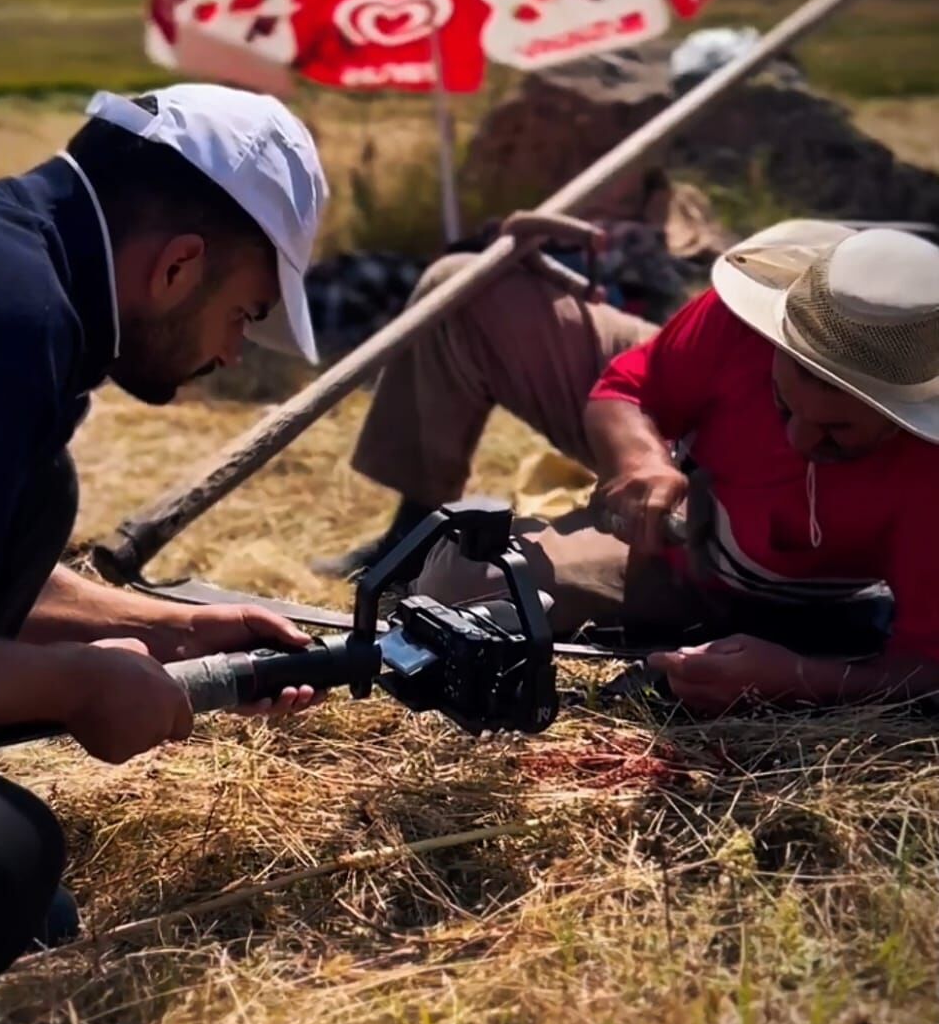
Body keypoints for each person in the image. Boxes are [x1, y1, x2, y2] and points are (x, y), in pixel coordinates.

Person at [0, 84, 328, 1007]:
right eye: (246, 315)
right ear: (177, 267)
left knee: (38, 496)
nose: (234, 354)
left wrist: (170, 630)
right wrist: (86, 684)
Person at [326, 219, 939, 715]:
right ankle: (409, 532)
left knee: (467, 591)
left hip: (749, 592)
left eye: (836, 433)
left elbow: (926, 667)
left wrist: (798, 677)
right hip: (690, 521)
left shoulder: (927, 476)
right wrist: (642, 461)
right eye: (783, 402)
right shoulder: (749, 325)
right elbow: (627, 387)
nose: (801, 437)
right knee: (466, 287)